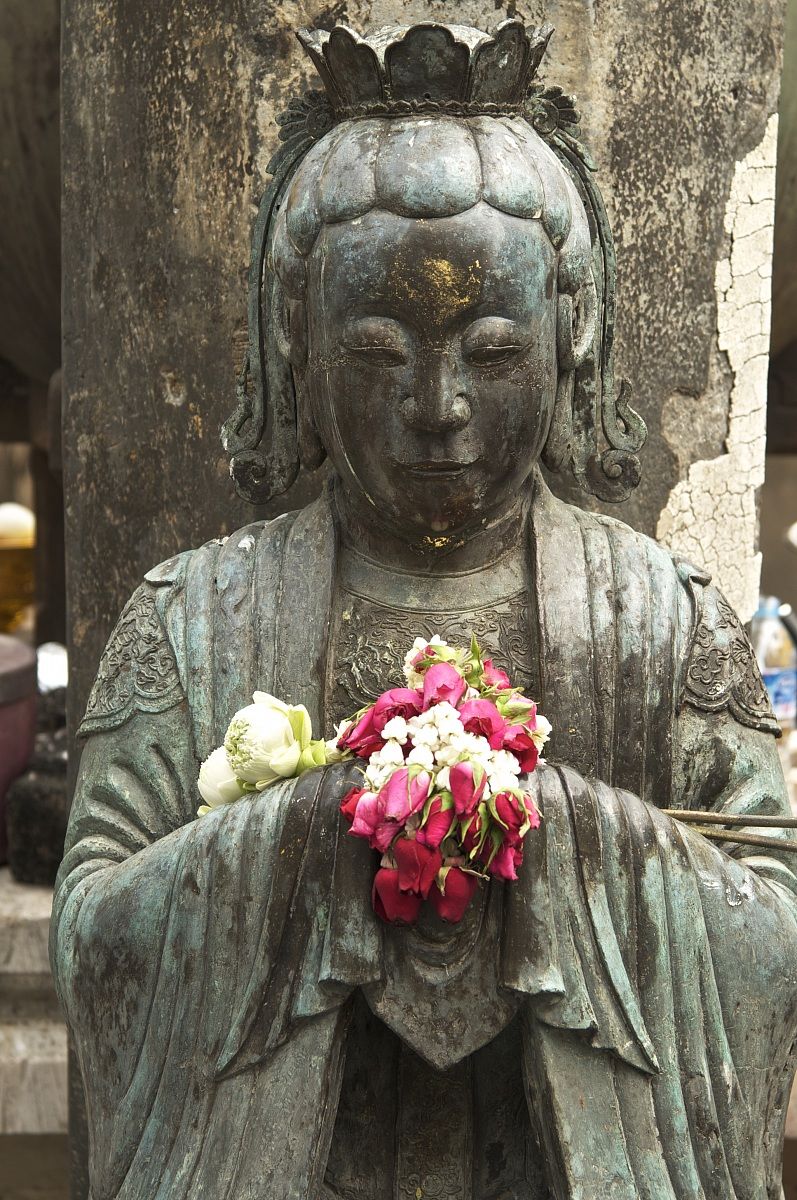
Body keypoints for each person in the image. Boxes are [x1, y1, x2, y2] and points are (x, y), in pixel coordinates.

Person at [52, 20, 797, 1199]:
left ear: (571, 338)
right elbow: (92, 934)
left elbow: (773, 924)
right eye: (377, 351)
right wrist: (310, 833)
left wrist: (543, 828)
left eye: (492, 351)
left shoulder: (662, 619)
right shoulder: (190, 619)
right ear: (297, 349)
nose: (437, 406)